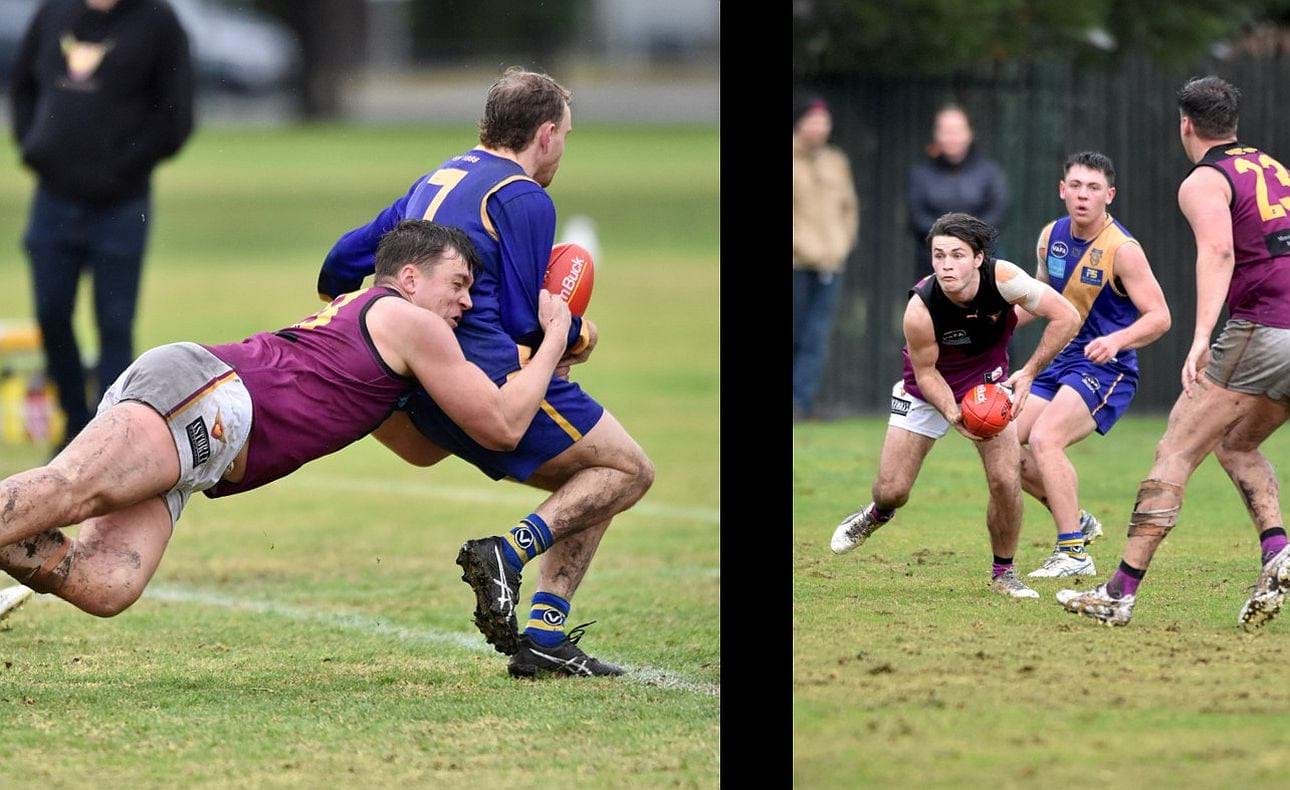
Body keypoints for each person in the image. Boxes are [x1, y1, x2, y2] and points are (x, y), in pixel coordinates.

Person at [0, 221, 573, 629]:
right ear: (409, 277)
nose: (468, 302)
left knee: (107, 584)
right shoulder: (405, 317)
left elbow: (421, 453)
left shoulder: (379, 338)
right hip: (205, 398)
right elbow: (502, 426)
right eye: (459, 284)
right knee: (71, 491)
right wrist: (552, 342)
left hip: (204, 437)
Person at [317, 67, 654, 678]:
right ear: (546, 134)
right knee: (629, 470)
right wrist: (579, 333)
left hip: (415, 384)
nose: (562, 151)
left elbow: (340, 261)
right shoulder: (523, 196)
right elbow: (528, 322)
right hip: (484, 382)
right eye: (566, 137)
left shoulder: (437, 179)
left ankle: (546, 636)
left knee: (588, 483)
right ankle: (506, 554)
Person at [1058, 76, 1290, 629]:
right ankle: (1277, 552)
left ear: (1185, 124)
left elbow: (1218, 252)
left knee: (1176, 449)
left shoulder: (1204, 180)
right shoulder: (1274, 167)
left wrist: (1201, 336)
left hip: (1264, 326)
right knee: (1236, 444)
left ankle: (1119, 591)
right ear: (1232, 121)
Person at [829, 212, 1081, 598]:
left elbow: (1067, 315)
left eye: (957, 255)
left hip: (988, 389)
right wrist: (951, 412)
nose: (947, 264)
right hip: (925, 392)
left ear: (978, 258)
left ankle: (1004, 574)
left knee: (1004, 479)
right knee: (892, 490)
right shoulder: (921, 308)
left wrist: (1028, 373)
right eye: (939, 255)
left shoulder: (1005, 279)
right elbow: (927, 373)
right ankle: (876, 514)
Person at [9, 0, 195, 451]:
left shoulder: (158, 21)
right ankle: (73, 421)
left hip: (122, 203)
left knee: (114, 323)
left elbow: (175, 117)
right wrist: (34, 145)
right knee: (52, 313)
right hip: (53, 198)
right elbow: (22, 85)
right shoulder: (54, 12)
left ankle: (106, 439)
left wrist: (124, 167)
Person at [1016, 152, 1171, 579]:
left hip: (1107, 368)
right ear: (1062, 190)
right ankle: (1076, 519)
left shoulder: (1123, 250)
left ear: (1110, 195)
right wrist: (995, 326)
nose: (1084, 196)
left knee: (1046, 438)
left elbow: (1160, 316)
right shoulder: (1051, 236)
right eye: (1076, 186)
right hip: (1060, 359)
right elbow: (1040, 297)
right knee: (1002, 446)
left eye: (1094, 188)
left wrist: (1117, 339)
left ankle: (1072, 553)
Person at [793, 94, 859, 420]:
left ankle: (802, 403)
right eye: (813, 120)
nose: (819, 127)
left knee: (816, 337)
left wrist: (842, 244)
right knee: (795, 331)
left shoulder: (836, 161)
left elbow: (848, 208)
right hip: (797, 264)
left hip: (830, 263)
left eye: (824, 121)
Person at [907, 104, 1009, 281]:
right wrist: (947, 239)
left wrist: (968, 239)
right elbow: (916, 217)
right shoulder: (920, 174)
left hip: (981, 263)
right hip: (932, 266)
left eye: (957, 130)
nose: (951, 137)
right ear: (936, 134)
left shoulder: (989, 172)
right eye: (946, 130)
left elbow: (998, 211)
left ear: (970, 133)